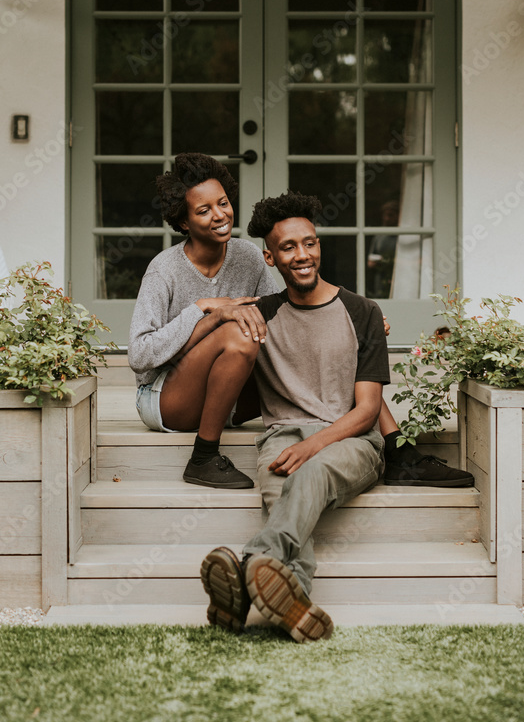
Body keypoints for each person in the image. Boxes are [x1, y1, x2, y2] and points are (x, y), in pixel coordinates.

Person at [200, 191, 473, 644]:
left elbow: (367, 409)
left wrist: (311, 445)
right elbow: (204, 350)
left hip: (352, 441)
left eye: (309, 243)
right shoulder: (259, 317)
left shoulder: (363, 312)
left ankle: (248, 567)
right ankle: (294, 603)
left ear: (319, 245)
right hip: (279, 438)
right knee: (283, 503)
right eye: (288, 247)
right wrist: (208, 309)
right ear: (270, 256)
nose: (302, 255)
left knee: (305, 480)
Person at [127, 153, 278, 489]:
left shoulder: (249, 257)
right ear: (184, 223)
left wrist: (349, 322)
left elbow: (277, 320)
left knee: (305, 350)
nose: (219, 215)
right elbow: (139, 356)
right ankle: (204, 457)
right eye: (204, 210)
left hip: (225, 394)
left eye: (222, 203)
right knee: (237, 334)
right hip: (164, 398)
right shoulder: (164, 270)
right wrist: (204, 310)